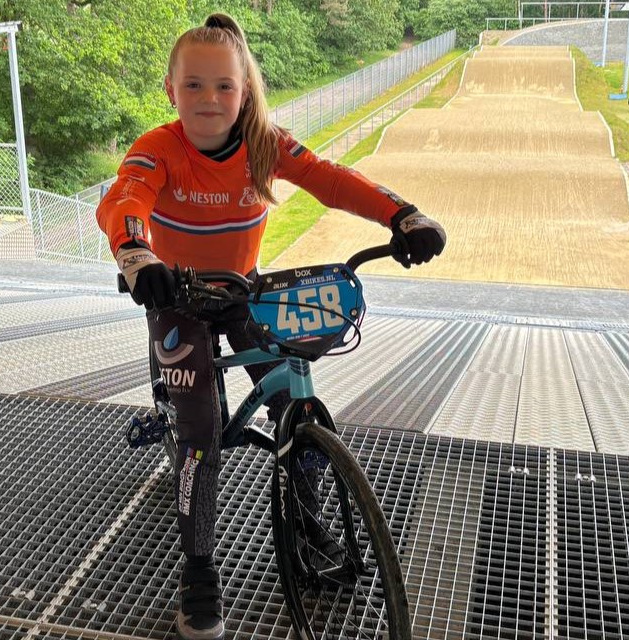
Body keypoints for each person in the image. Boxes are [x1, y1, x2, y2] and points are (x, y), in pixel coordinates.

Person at [95, 13, 445, 640]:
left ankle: (308, 506)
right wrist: (136, 253)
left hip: (238, 291)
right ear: (171, 92)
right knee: (200, 432)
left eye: (224, 86)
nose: (210, 99)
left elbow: (332, 179)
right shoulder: (157, 147)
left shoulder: (267, 143)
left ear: (246, 90)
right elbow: (126, 198)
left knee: (292, 399)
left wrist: (403, 215)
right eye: (194, 86)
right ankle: (199, 572)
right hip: (174, 293)